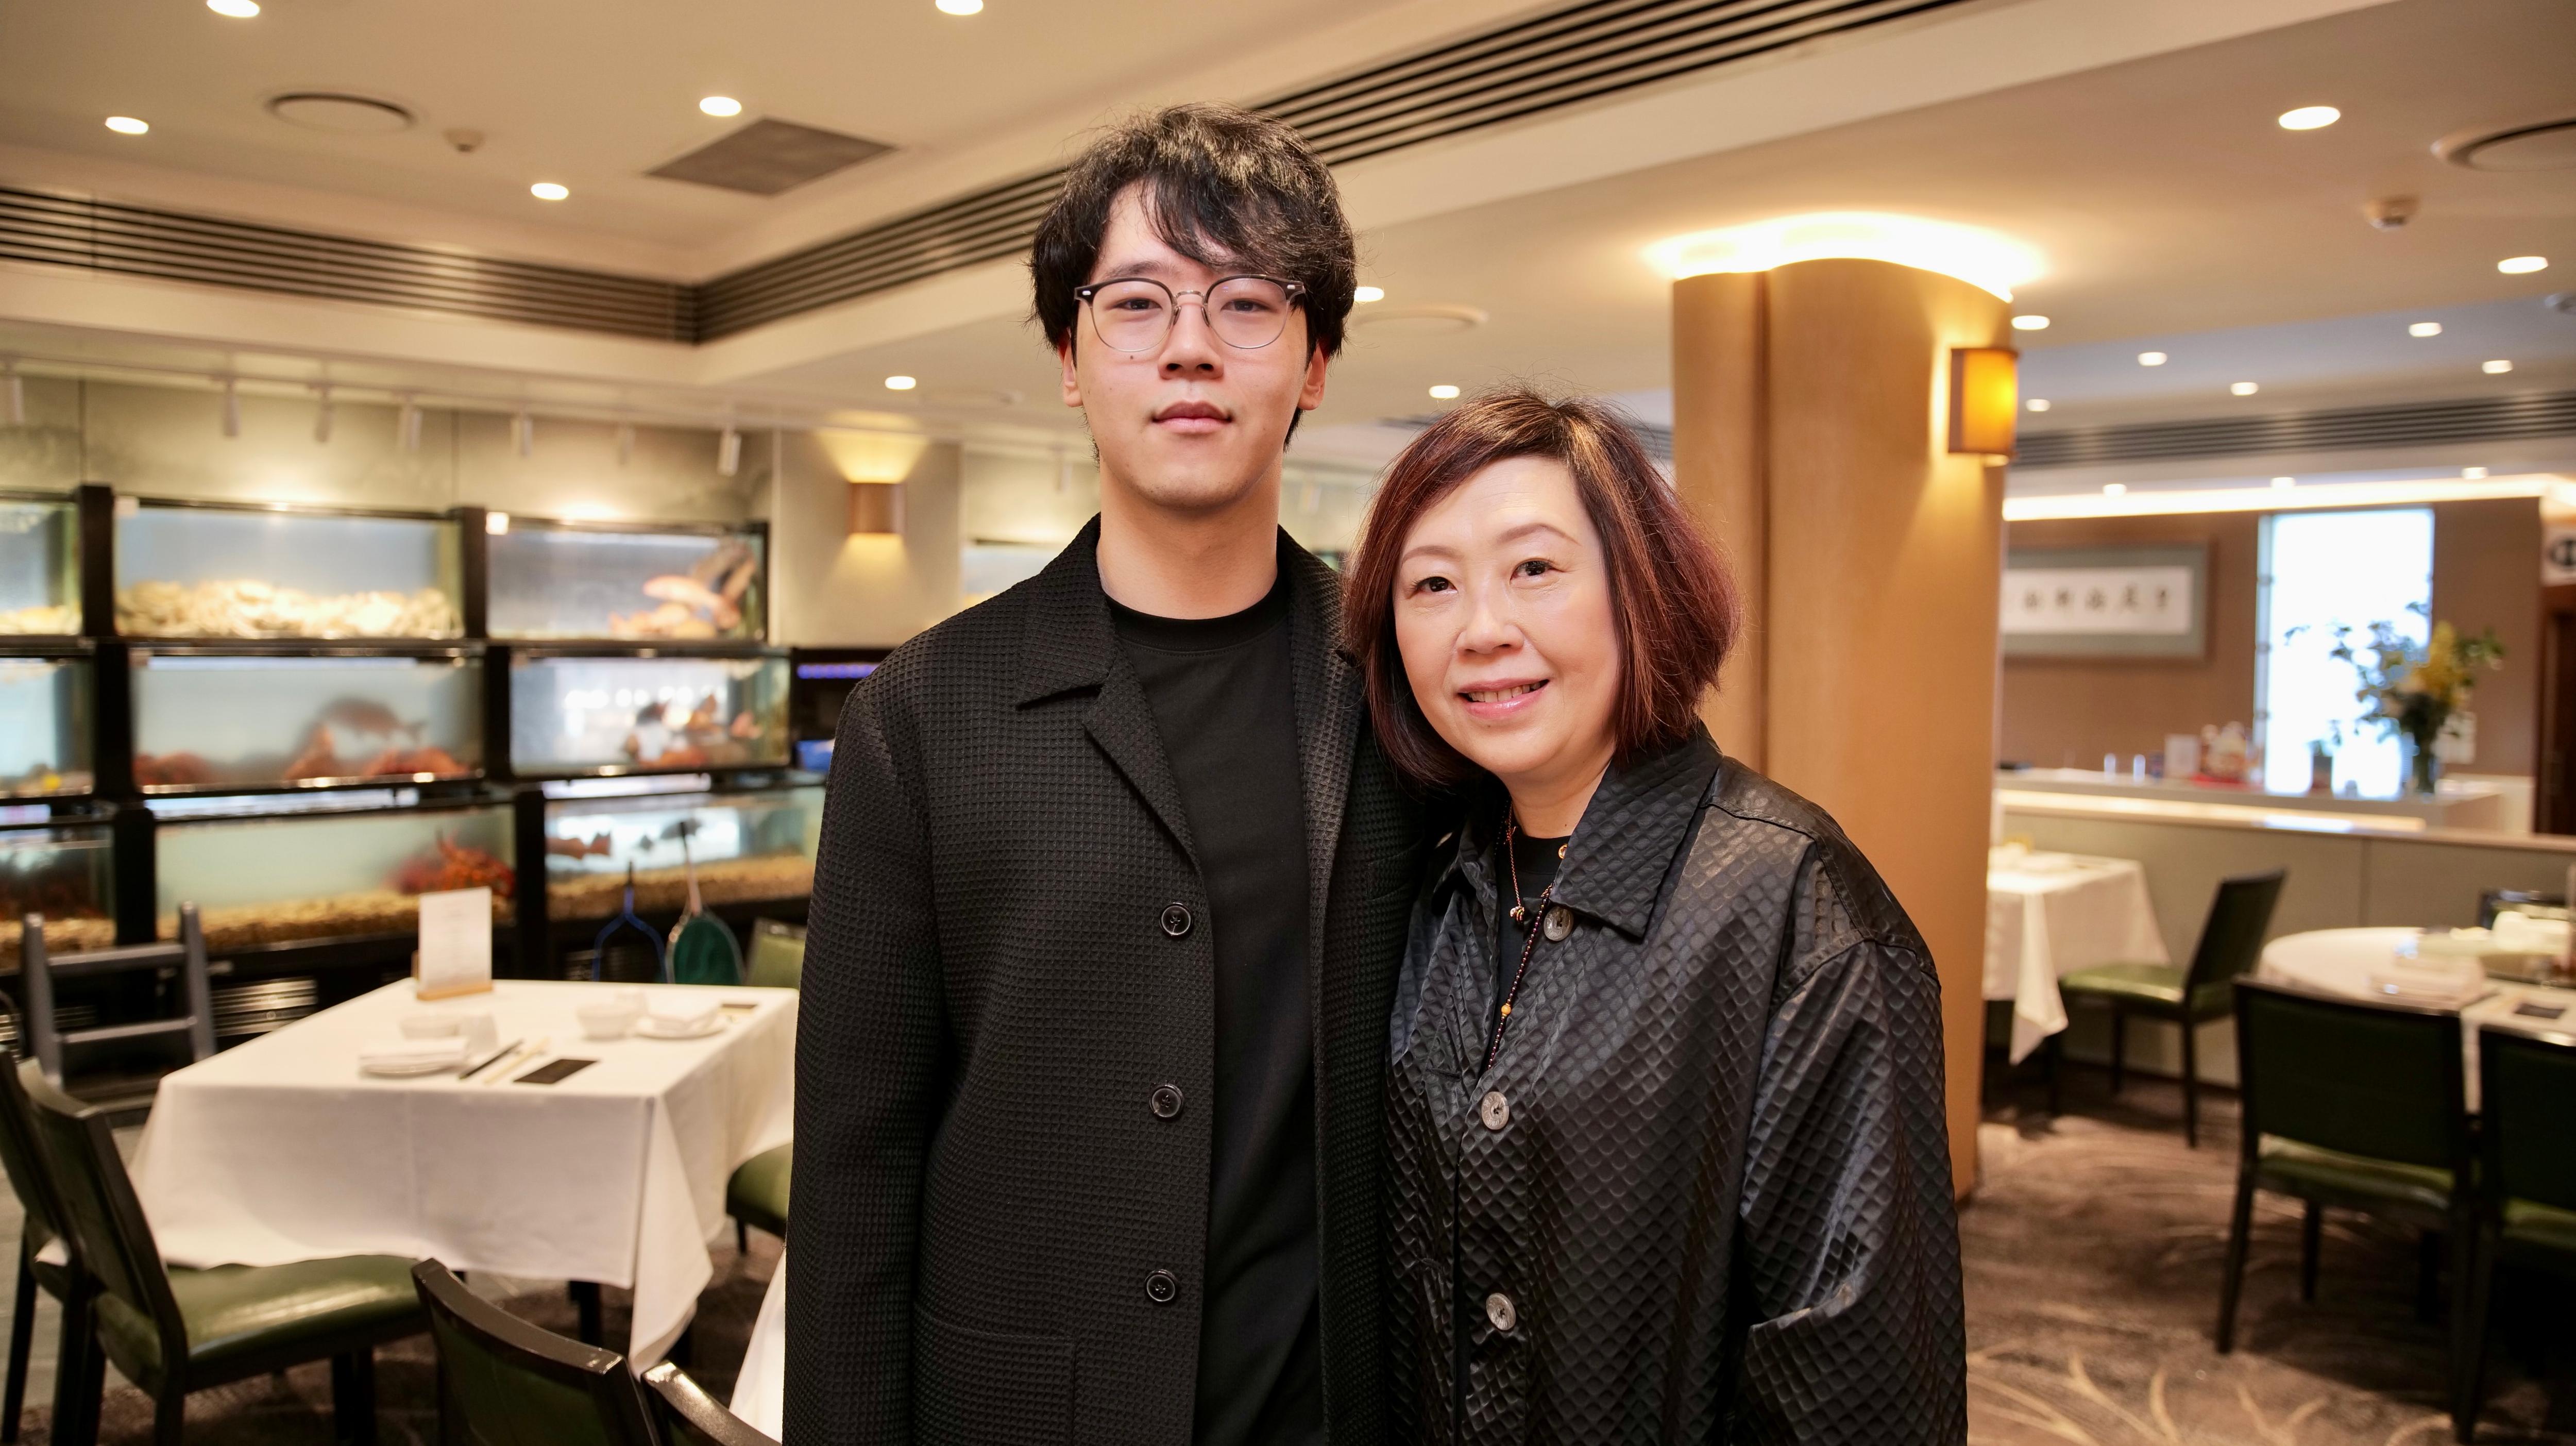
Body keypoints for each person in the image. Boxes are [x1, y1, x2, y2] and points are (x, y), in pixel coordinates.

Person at [785, 104, 1422, 1446]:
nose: (1189, 344)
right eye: (1136, 301)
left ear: (1315, 362)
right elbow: (853, 1166)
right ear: (1070, 356)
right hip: (1021, 1406)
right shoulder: (927, 711)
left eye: (1247, 301)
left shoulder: (1395, 688)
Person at [1344, 390, 1968, 1444]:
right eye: (1433, 584)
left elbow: (1856, 1380)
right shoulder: (1436, 877)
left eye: (1534, 568)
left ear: (1640, 588)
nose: (1482, 629)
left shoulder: (1794, 904)